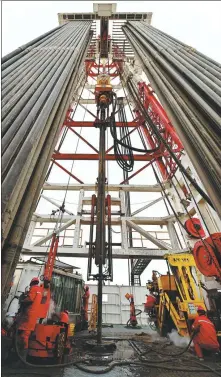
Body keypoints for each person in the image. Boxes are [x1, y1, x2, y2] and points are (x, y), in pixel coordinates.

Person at [17, 277, 42, 358]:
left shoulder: (34, 289)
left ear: (32, 283)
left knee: (24, 336)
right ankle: (21, 355)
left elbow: (29, 299)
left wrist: (22, 300)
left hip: (28, 315)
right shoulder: (39, 291)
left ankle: (21, 357)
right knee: (25, 334)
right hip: (32, 317)